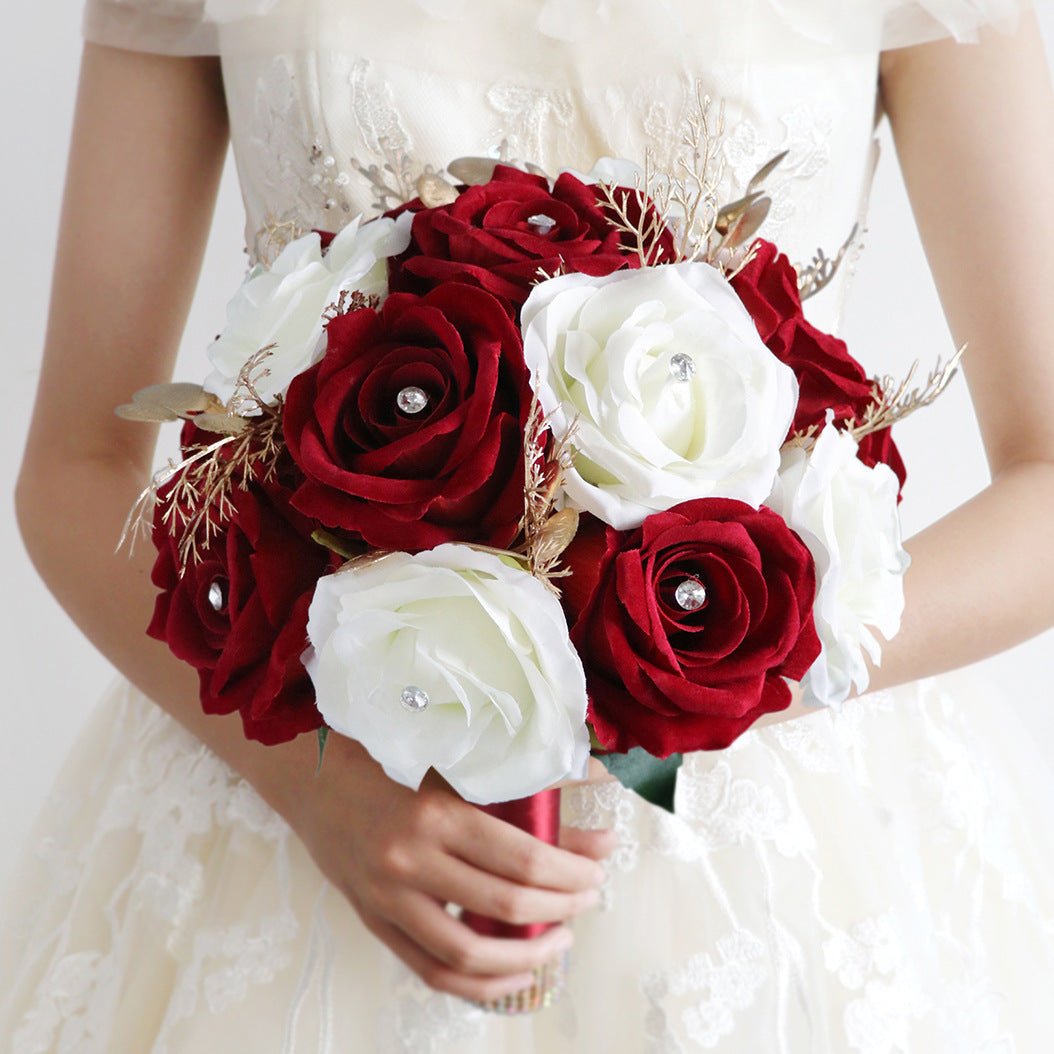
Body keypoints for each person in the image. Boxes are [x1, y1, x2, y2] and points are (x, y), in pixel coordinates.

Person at [4, 0, 1054, 1049]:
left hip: (768, 832)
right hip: (324, 809)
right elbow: (78, 465)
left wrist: (715, 669)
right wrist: (307, 779)